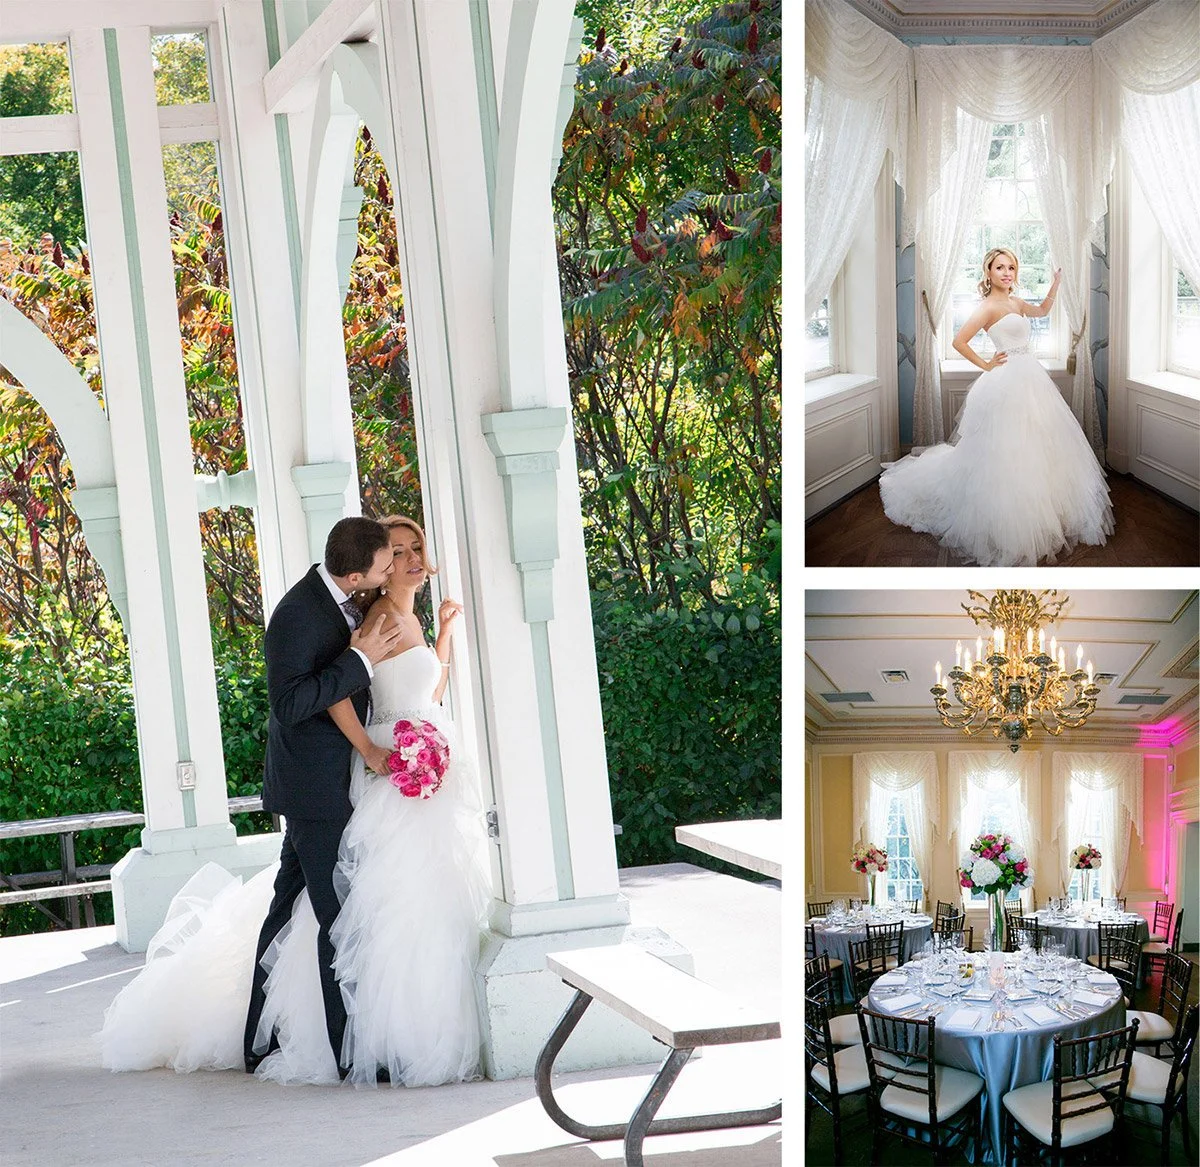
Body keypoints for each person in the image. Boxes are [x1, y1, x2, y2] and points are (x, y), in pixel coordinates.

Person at [100, 516, 490, 1088]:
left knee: (287, 906)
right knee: (339, 916)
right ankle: (349, 1054)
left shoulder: (350, 603)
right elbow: (291, 703)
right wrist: (358, 673)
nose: (393, 571)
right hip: (315, 785)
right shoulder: (300, 614)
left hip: (338, 780)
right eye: (387, 561)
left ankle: (258, 1038)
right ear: (357, 571)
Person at [879, 248, 1113, 566]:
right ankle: (1006, 515)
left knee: (1039, 443)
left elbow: (1043, 311)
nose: (1006, 272)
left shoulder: (1016, 302)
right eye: (999, 267)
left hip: (1030, 376)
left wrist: (1055, 284)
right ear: (988, 272)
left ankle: (1042, 507)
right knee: (1004, 448)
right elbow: (959, 341)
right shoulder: (987, 307)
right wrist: (987, 365)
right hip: (1005, 381)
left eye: (1011, 267)